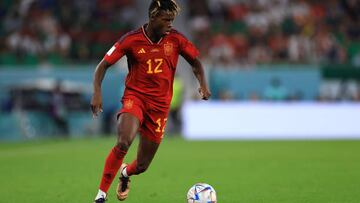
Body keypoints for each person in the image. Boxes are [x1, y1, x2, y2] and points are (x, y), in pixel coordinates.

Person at [90, 0, 211, 202]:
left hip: (160, 107)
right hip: (135, 98)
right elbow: (102, 66)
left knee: (143, 165)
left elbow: (196, 62)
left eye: (172, 20)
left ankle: (126, 173)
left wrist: (203, 84)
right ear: (153, 17)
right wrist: (97, 92)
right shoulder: (131, 40)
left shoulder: (176, 40)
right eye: (166, 20)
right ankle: (101, 195)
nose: (171, 24)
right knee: (123, 142)